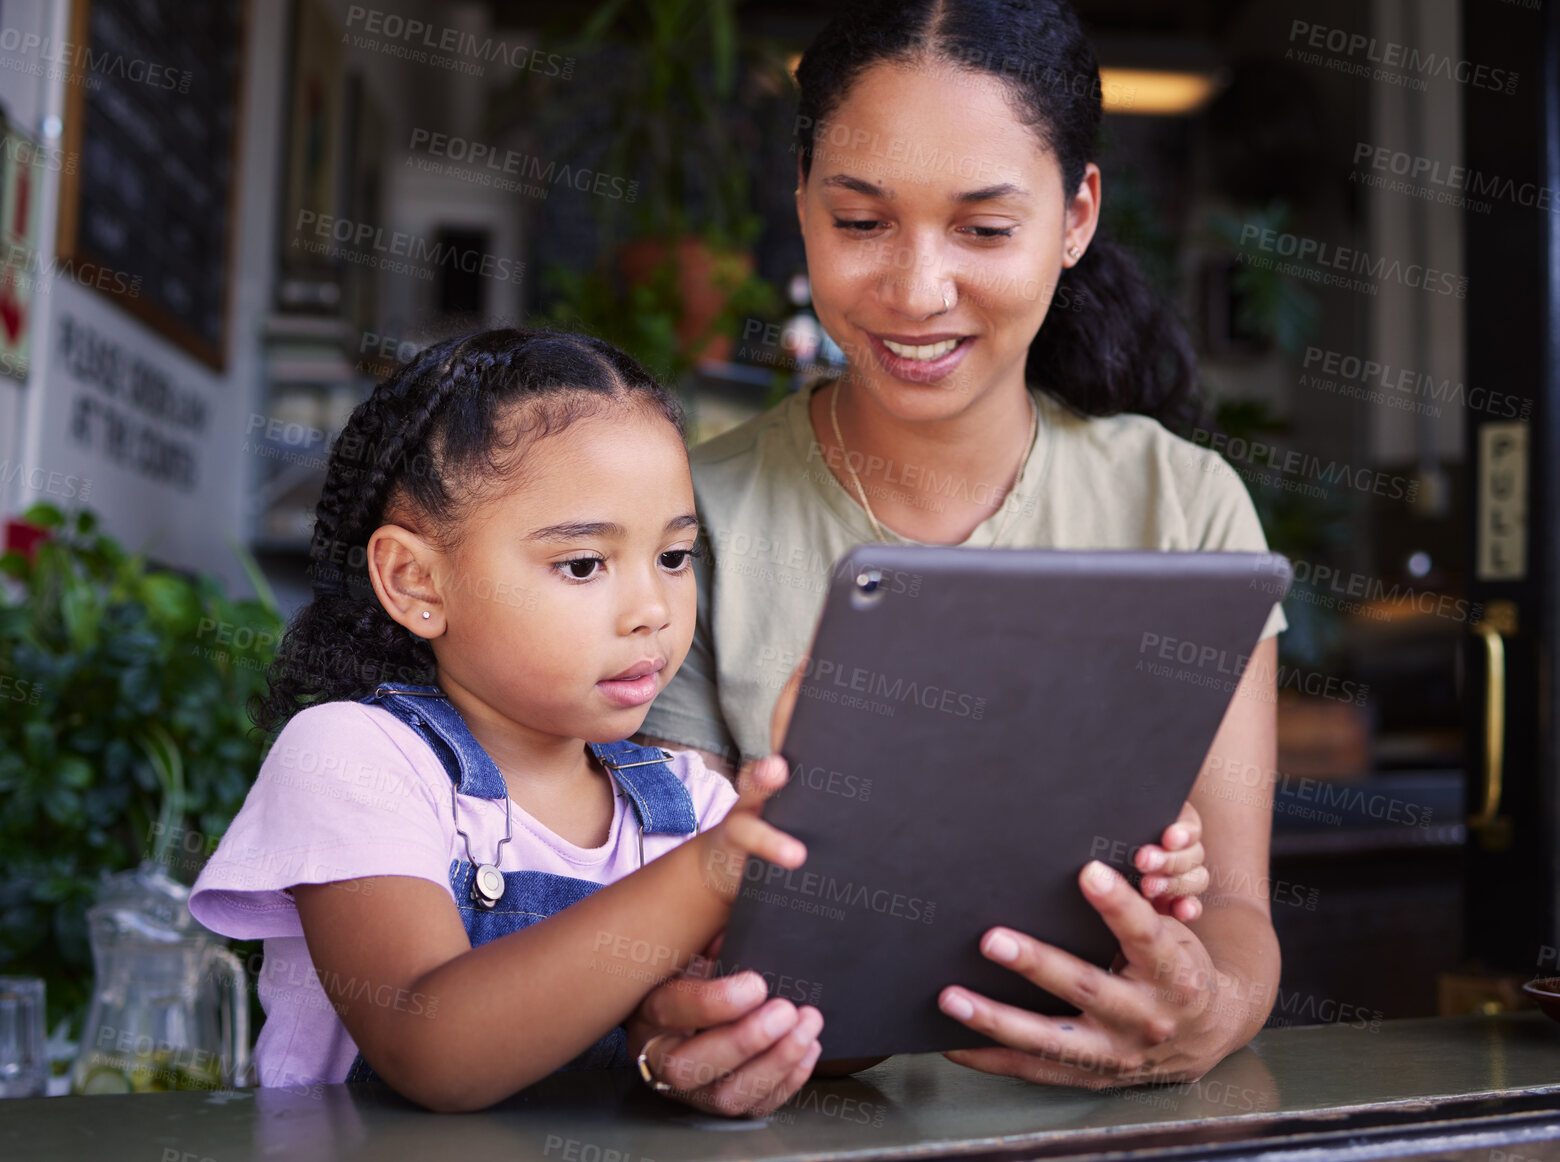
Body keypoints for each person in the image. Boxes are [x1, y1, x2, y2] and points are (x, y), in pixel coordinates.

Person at [630, 0, 1288, 1091]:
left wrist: (1203, 1013)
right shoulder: (689, 515)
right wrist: (670, 1032)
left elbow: (1236, 917)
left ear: (1076, 216)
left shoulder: (1182, 504)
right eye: (860, 222)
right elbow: (658, 924)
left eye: (983, 229)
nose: (916, 290)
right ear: (800, 206)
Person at [188, 329, 823, 1114]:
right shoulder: (354, 758)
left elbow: (835, 1024)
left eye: (674, 557)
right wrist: (713, 874)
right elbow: (436, 1050)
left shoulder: (692, 805)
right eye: (583, 564)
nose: (652, 611)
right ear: (416, 580)